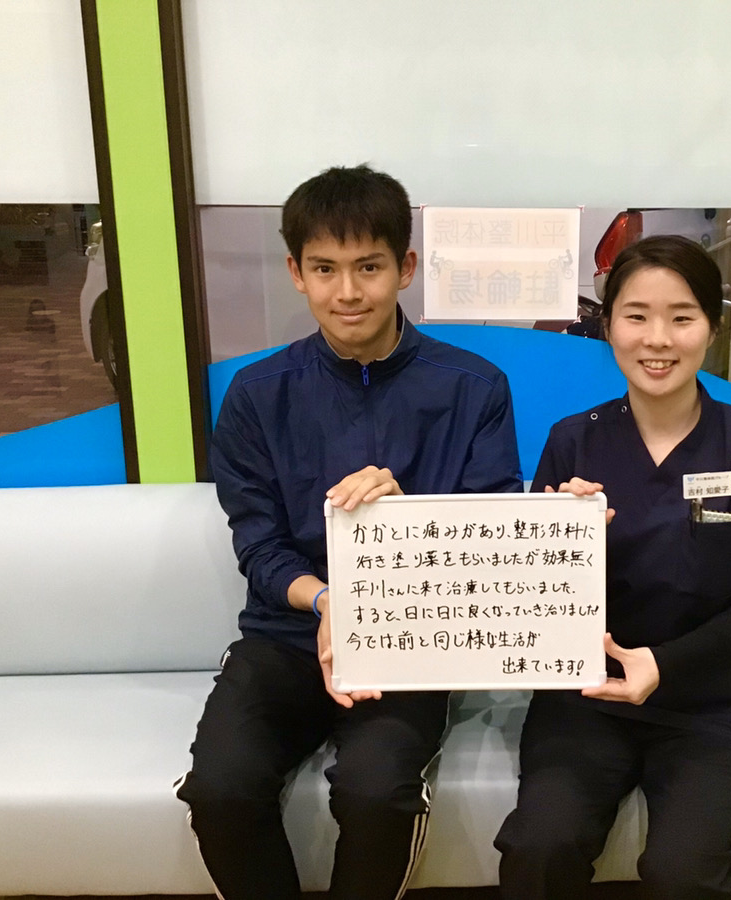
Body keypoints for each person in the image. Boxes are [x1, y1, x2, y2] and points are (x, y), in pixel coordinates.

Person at [176, 165, 523, 899]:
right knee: (220, 788)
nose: (348, 292)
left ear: (406, 267)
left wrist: (404, 523)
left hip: (411, 638)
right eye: (325, 269)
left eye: (369, 267)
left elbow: (489, 534)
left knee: (374, 791)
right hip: (286, 637)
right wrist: (329, 600)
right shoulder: (255, 396)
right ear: (296, 274)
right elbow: (258, 544)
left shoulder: (475, 388)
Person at [495, 235, 731, 899]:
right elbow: (530, 595)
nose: (658, 339)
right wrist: (564, 541)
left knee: (683, 873)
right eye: (636, 316)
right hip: (585, 699)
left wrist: (665, 664)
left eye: (682, 317)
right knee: (539, 847)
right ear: (608, 326)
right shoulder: (572, 440)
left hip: (709, 703)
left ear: (712, 327)